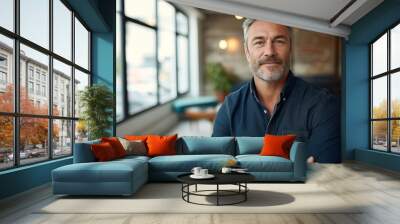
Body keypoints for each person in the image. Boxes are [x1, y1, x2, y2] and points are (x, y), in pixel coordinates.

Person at [212, 19, 340, 163]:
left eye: (279, 41)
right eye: (259, 42)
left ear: (290, 48)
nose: (269, 52)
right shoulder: (229, 108)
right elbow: (218, 168)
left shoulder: (323, 105)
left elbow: (324, 174)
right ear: (247, 52)